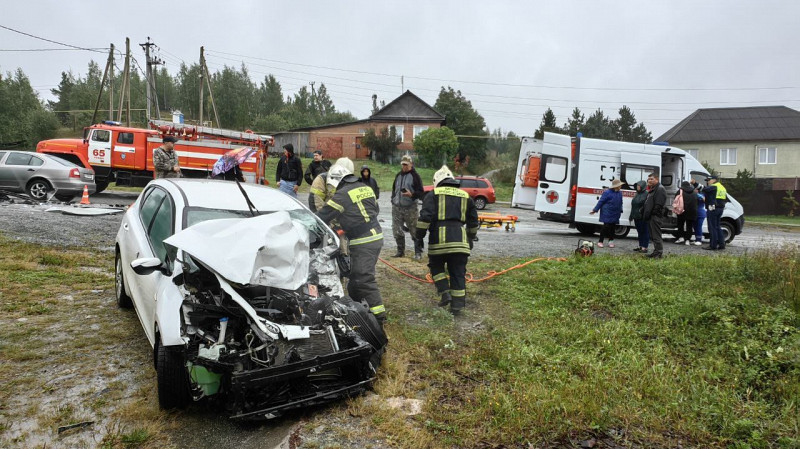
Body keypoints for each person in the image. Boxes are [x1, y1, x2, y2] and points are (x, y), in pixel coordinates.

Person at [316, 162, 386, 323]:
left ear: (336, 180)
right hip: (375, 236)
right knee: (354, 278)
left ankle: (378, 317)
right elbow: (374, 210)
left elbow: (322, 216)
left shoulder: (342, 195)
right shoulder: (365, 187)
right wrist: (346, 225)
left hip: (364, 240)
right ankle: (358, 309)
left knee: (363, 277)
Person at [416, 166, 479, 316]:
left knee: (436, 266)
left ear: (437, 181)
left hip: (438, 241)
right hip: (460, 241)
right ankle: (457, 306)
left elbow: (425, 218)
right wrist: (470, 237)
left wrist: (419, 237)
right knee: (458, 273)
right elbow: (473, 222)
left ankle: (444, 292)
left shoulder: (433, 194)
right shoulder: (466, 196)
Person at [391, 155, 424, 259]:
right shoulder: (398, 175)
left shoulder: (415, 176)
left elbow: (421, 192)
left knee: (414, 230)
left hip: (410, 208)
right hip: (397, 208)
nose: (404, 166)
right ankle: (400, 251)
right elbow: (394, 189)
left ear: (411, 164)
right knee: (397, 230)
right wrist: (393, 199)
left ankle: (418, 252)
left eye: (406, 164)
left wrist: (412, 195)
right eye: (403, 164)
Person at [589, 179, 623, 248]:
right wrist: (595, 210)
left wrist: (621, 210)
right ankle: (600, 241)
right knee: (606, 226)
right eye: (620, 185)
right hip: (607, 212)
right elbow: (601, 202)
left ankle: (611, 241)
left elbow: (621, 202)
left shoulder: (620, 193)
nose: (621, 186)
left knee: (613, 227)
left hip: (615, 212)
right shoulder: (607, 192)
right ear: (616, 186)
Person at [642, 173, 667, 259]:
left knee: (656, 235)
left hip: (655, 216)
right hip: (650, 216)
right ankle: (655, 251)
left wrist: (653, 213)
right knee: (652, 235)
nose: (649, 181)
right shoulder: (652, 189)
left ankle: (658, 253)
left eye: (652, 179)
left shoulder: (660, 189)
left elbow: (659, 204)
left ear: (657, 179)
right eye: (648, 179)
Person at [703, 175, 728, 251]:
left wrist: (694, 184)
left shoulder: (714, 186)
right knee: (717, 226)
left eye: (709, 180)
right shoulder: (722, 187)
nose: (708, 182)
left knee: (712, 227)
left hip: (713, 208)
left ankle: (713, 245)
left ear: (714, 180)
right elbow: (725, 199)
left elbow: (703, 189)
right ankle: (721, 244)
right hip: (720, 208)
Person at [675, 181, 698, 245]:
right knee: (689, 226)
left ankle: (681, 237)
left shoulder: (680, 191)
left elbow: (676, 199)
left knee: (680, 224)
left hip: (682, 210)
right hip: (692, 211)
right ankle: (687, 240)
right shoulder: (694, 192)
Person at [629, 180, 649, 253]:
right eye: (637, 186)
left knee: (645, 231)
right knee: (639, 231)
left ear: (642, 187)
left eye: (639, 186)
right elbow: (633, 205)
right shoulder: (636, 194)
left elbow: (646, 206)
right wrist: (631, 215)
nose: (637, 187)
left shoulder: (647, 194)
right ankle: (641, 246)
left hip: (642, 216)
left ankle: (645, 247)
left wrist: (643, 213)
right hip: (636, 216)